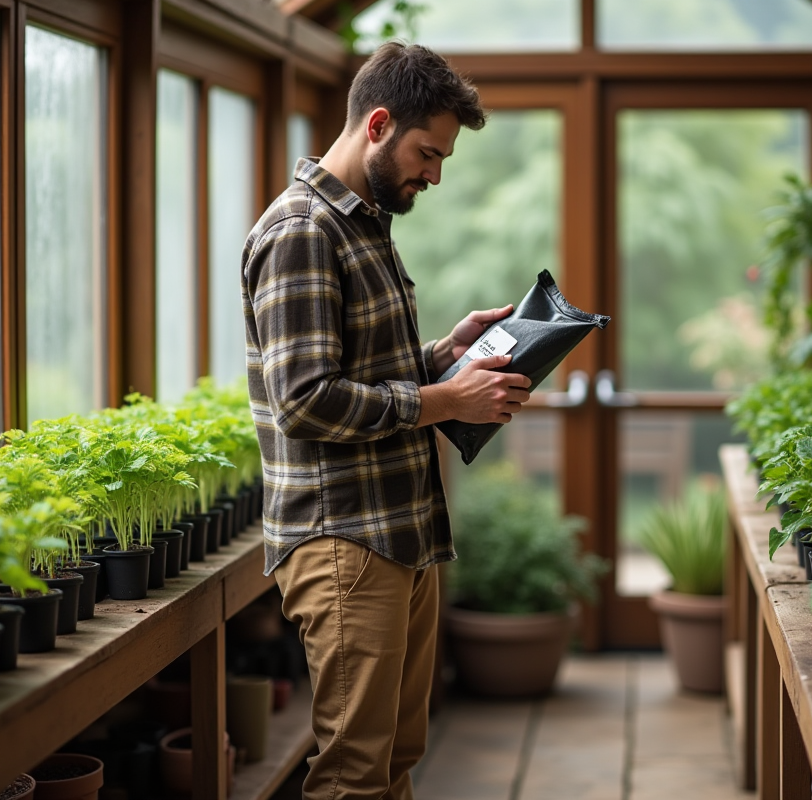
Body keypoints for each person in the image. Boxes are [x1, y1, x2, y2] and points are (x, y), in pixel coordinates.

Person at [240, 41, 531, 799]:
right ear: (377, 124)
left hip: (396, 532)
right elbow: (305, 399)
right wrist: (447, 400)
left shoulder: (363, 222)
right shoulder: (302, 231)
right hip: (345, 541)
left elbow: (362, 376)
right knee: (353, 774)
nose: (434, 175)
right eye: (427, 153)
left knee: (395, 760)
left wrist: (444, 353)